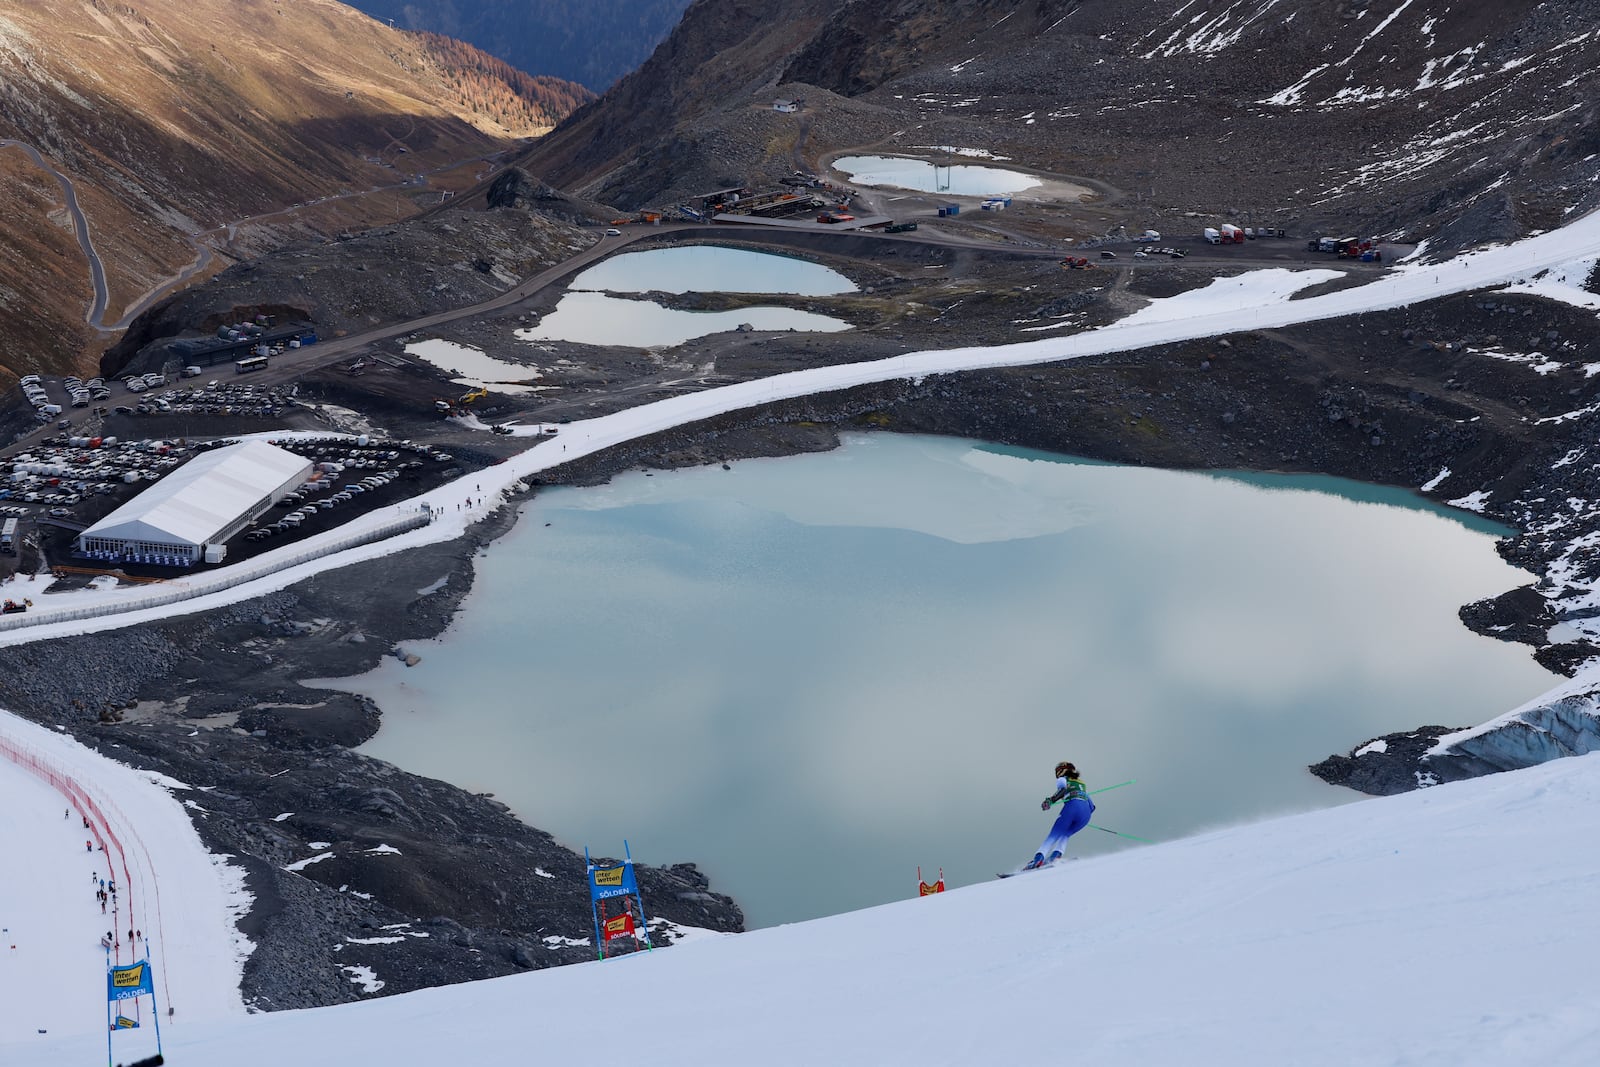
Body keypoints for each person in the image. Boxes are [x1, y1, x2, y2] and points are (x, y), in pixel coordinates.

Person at [1024, 761, 1094, 870]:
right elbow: (1092, 807)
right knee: (1065, 834)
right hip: (1085, 815)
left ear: (1062, 771)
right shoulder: (1082, 783)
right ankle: (1055, 856)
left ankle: (1038, 859)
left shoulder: (1063, 779)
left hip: (1072, 807)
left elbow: (1062, 790)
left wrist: (1050, 801)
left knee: (1053, 834)